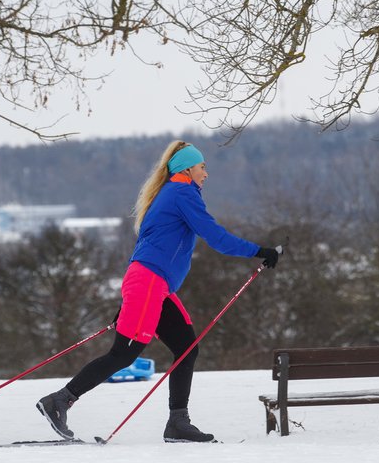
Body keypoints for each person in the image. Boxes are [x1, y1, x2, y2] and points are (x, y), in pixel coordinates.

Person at [36, 141, 280, 442]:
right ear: (187, 168)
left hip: (153, 286)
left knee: (186, 349)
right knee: (122, 355)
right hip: (149, 284)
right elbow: (215, 237)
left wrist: (132, 296)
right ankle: (60, 400)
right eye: (202, 166)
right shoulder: (182, 192)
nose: (206, 173)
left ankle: (178, 422)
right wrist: (259, 251)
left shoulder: (172, 194)